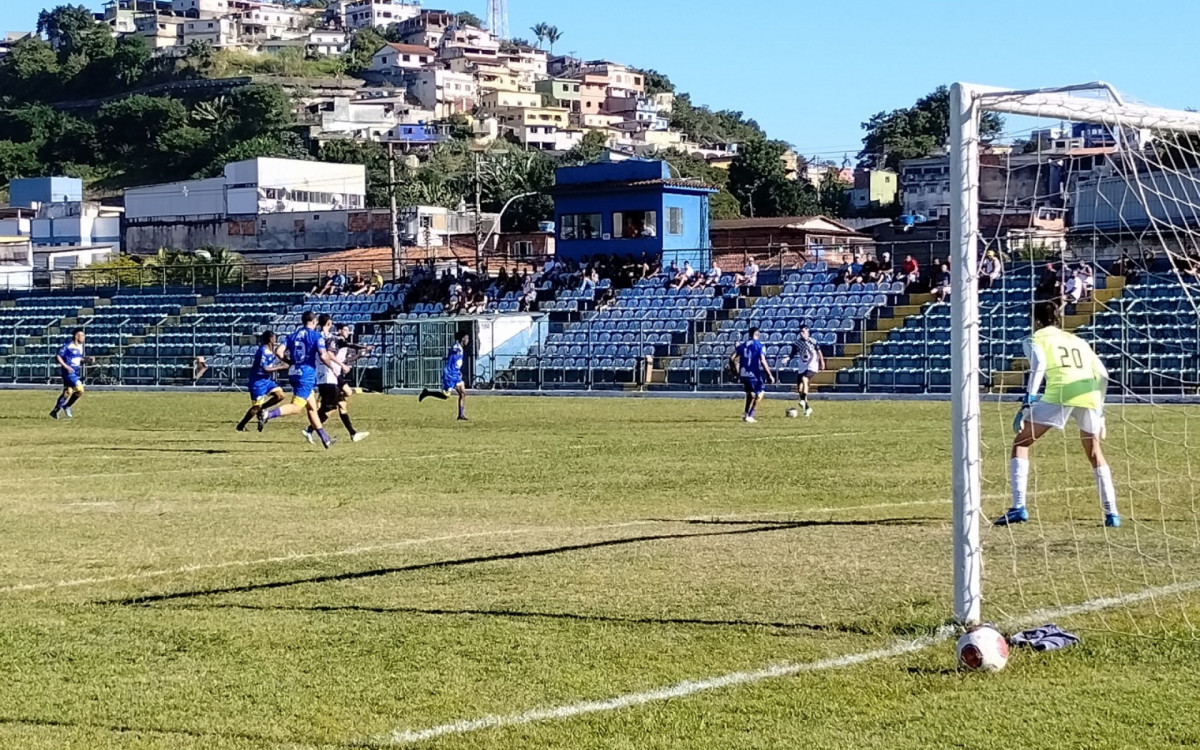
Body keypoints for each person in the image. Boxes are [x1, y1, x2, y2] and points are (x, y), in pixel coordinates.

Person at [997, 301, 1119, 528]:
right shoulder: (1078, 340)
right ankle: (1112, 513)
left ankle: (1018, 507)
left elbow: (1040, 365)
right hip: (1089, 394)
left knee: (1021, 444)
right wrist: (1100, 410)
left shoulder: (1034, 339)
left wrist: (1028, 401)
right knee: (1095, 452)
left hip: (1060, 393)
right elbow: (1103, 373)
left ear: (1035, 320)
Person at [258, 310, 340, 449]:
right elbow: (323, 355)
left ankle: (325, 439)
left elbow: (278, 351)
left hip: (294, 372)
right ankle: (268, 414)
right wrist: (333, 367)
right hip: (306, 375)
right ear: (314, 322)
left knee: (312, 408)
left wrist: (289, 362)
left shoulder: (292, 335)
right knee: (296, 407)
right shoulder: (315, 336)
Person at [306, 321, 370, 444]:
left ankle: (353, 433)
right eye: (346, 330)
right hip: (333, 375)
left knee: (341, 406)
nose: (348, 332)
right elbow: (336, 354)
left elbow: (345, 359)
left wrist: (359, 356)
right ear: (340, 330)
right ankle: (310, 428)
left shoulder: (339, 344)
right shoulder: (337, 340)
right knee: (340, 400)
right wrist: (362, 347)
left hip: (335, 375)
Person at [236, 330, 288, 432]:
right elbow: (265, 368)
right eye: (274, 337)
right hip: (257, 382)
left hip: (267, 380)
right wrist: (281, 367)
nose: (275, 339)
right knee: (256, 407)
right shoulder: (262, 351)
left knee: (280, 395)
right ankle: (241, 425)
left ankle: (263, 409)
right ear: (270, 339)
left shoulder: (272, 350)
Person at [419, 331, 470, 421]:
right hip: (449, 374)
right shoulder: (456, 347)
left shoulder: (461, 348)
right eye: (467, 338)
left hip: (456, 373)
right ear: (462, 339)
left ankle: (461, 415)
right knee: (446, 396)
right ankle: (427, 393)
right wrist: (454, 351)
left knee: (463, 393)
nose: (468, 340)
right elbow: (453, 350)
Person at [729, 327, 775, 423]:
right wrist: (769, 374)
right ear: (757, 334)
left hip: (743, 373)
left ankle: (745, 413)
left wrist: (734, 370)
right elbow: (762, 360)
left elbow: (731, 358)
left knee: (750, 393)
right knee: (760, 393)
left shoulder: (743, 345)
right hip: (753, 374)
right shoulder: (760, 346)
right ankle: (750, 415)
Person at [780, 325, 824, 417]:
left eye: (803, 331)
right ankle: (807, 408)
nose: (801, 333)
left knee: (805, 379)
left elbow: (819, 352)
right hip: (802, 366)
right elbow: (792, 354)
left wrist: (822, 362)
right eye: (800, 332)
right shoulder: (797, 343)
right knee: (799, 389)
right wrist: (787, 359)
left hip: (812, 365)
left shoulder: (813, 341)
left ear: (808, 332)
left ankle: (803, 400)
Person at [50, 328, 87, 419]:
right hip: (69, 372)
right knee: (80, 389)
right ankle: (67, 406)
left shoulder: (80, 347)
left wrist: (86, 360)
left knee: (68, 392)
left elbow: (77, 359)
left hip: (76, 371)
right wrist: (66, 366)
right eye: (82, 335)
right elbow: (58, 356)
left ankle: (55, 411)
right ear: (76, 336)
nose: (84, 337)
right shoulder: (68, 346)